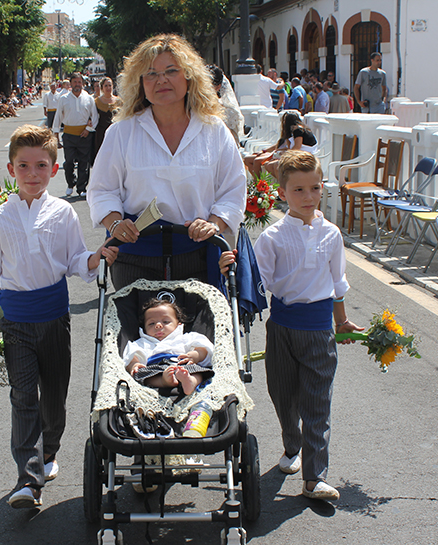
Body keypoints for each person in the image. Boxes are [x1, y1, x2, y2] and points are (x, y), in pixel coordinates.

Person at [0, 124, 117, 509]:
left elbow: (75, 260)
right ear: (10, 169)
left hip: (54, 318)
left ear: (54, 170)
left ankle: (49, 450)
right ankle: (28, 479)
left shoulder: (63, 213)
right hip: (15, 322)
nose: (32, 174)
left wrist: (96, 257)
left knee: (54, 397)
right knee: (23, 396)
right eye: (23, 166)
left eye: (40, 166)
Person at [219, 151, 363, 502]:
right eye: (299, 190)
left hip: (319, 330)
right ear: (282, 193)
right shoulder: (273, 237)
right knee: (283, 396)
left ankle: (315, 477)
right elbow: (259, 280)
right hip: (282, 328)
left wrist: (342, 321)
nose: (308, 197)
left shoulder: (332, 234)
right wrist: (232, 266)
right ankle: (291, 442)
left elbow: (338, 282)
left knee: (317, 403)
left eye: (315, 188)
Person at [87, 33, 246, 289]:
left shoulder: (215, 131)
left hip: (198, 256)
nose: (161, 80)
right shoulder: (121, 132)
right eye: (151, 74)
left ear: (189, 76)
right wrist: (115, 224)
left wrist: (213, 224)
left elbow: (233, 189)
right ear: (140, 83)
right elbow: (102, 189)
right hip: (135, 258)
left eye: (171, 71)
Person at [123, 297, 214, 396]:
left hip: (182, 365)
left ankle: (190, 381)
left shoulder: (186, 338)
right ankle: (164, 381)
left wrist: (196, 355)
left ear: (178, 324)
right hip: (155, 369)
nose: (158, 325)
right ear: (144, 328)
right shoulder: (142, 343)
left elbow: (204, 347)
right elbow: (131, 356)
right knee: (140, 375)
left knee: (199, 370)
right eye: (151, 323)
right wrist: (134, 365)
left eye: (165, 322)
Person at [52, 72, 98, 197]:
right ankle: (70, 183)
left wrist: (88, 129)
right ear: (71, 84)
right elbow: (58, 116)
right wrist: (55, 133)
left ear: (82, 83)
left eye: (79, 82)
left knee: (84, 162)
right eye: (75, 82)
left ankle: (81, 188)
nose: (77, 84)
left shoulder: (88, 98)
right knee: (69, 162)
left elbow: (95, 116)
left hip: (84, 135)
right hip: (69, 135)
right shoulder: (64, 98)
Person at [243, 110, 316, 178]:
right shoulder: (292, 132)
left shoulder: (298, 130)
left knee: (270, 165)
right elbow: (287, 147)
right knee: (261, 163)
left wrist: (285, 154)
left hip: (303, 157)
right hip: (293, 155)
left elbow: (297, 147)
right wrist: (266, 151)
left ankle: (274, 184)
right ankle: (261, 184)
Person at [92, 77, 119, 164]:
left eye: (110, 85)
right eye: (106, 85)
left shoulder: (119, 101)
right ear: (102, 87)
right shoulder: (97, 102)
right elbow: (92, 116)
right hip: (101, 132)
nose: (108, 88)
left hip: (116, 132)